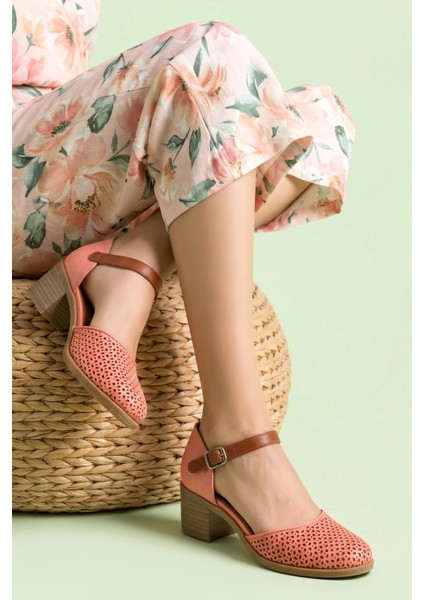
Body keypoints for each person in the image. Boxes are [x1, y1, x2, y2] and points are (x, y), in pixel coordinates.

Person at [12, 0, 374, 578]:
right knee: (209, 58)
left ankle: (138, 255)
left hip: (54, 132)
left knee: (318, 119)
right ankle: (235, 438)